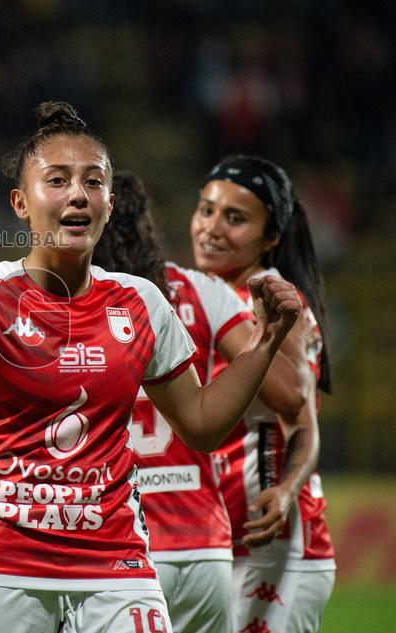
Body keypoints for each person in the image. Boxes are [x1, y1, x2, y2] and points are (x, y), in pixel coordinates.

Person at [0, 101, 303, 633]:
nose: (78, 193)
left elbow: (203, 424)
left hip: (113, 563)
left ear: (109, 203)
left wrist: (267, 339)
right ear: (21, 203)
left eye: (92, 182)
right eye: (57, 180)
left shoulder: (140, 302)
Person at [93, 171, 303, 633]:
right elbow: (289, 392)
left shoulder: (76, 301)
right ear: (148, 225)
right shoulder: (200, 289)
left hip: (120, 544)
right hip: (205, 547)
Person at [191, 155, 335, 633]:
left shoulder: (273, 303)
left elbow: (303, 421)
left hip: (276, 544)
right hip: (224, 542)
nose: (211, 228)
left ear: (271, 237)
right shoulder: (205, 300)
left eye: (235, 218)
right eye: (206, 209)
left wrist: (287, 489)